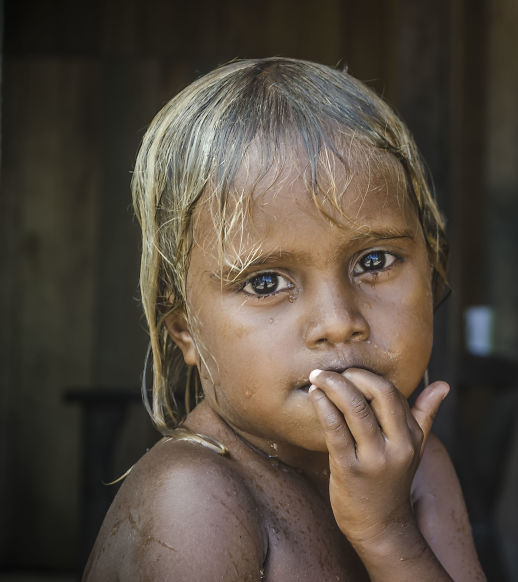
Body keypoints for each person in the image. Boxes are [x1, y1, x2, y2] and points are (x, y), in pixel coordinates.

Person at [84, 57, 486, 581]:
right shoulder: (194, 500)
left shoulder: (418, 467)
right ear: (186, 330)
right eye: (266, 283)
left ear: (432, 269)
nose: (338, 322)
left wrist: (387, 533)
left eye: (373, 261)